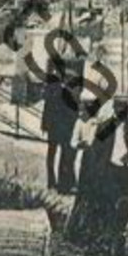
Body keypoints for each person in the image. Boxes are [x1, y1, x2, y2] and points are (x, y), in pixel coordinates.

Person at [67, 96, 128, 252]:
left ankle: (118, 237)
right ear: (114, 109)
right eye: (118, 108)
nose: (120, 111)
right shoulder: (105, 127)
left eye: (123, 108)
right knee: (110, 206)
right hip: (110, 171)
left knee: (125, 207)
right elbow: (95, 152)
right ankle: (107, 242)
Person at [39, 57, 82, 192]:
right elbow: (51, 108)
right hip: (60, 126)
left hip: (59, 126)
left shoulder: (54, 88)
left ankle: (59, 182)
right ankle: (58, 183)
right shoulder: (56, 88)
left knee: (59, 153)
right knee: (60, 154)